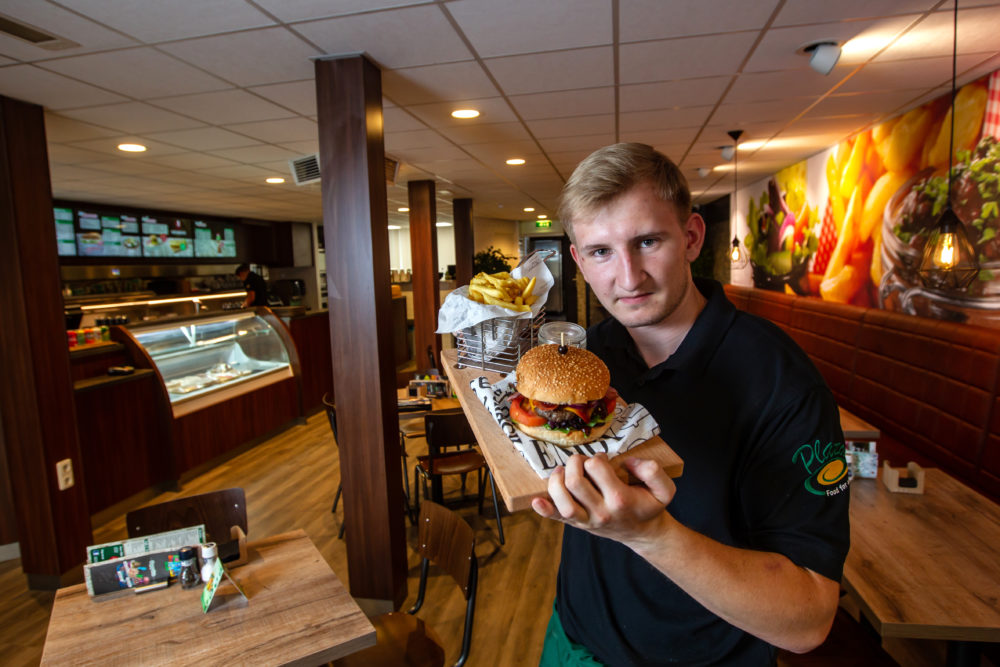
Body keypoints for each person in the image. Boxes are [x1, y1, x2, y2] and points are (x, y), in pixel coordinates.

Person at [531, 143, 850, 666]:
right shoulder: (588, 355)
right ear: (578, 261)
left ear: (692, 237)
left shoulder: (780, 380)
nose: (628, 278)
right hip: (573, 640)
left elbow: (809, 618)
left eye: (648, 241)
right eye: (601, 252)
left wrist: (652, 535)